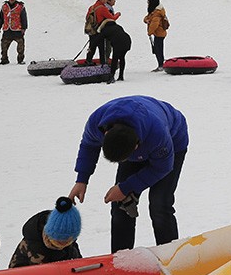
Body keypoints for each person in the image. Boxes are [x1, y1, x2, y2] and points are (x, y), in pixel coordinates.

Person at [69, 96, 189, 252]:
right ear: (106, 135)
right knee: (121, 206)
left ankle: (171, 257)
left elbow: (162, 167)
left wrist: (126, 187)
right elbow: (88, 145)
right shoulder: (97, 122)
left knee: (159, 204)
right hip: (134, 134)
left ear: (136, 147)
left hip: (173, 140)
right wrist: (81, 180)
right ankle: (121, 259)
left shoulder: (157, 134)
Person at [8, 197, 81, 268]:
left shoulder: (69, 237)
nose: (62, 245)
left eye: (68, 242)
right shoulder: (36, 250)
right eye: (57, 242)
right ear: (49, 234)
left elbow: (77, 259)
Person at [97, 0, 131, 83]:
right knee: (122, 57)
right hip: (127, 41)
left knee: (115, 59)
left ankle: (111, 77)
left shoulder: (105, 29)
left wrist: (91, 47)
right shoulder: (118, 26)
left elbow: (98, 39)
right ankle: (121, 76)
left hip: (118, 43)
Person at [0, 0, 27, 65]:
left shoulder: (20, 6)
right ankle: (4, 59)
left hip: (17, 29)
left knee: (20, 45)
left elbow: (24, 17)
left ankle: (20, 59)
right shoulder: (4, 7)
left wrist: (24, 28)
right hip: (7, 29)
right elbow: (1, 17)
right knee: (4, 46)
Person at [85, 0, 112, 66]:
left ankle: (88, 60)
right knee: (101, 48)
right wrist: (118, 14)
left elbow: (87, 18)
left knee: (92, 46)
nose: (106, 0)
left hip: (91, 31)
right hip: (99, 31)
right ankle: (103, 63)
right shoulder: (102, 8)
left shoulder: (92, 7)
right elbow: (111, 18)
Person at [142, 0, 168, 72]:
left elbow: (154, 24)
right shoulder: (156, 11)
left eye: (148, 2)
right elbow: (146, 18)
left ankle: (161, 65)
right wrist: (147, 20)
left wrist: (149, 32)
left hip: (159, 34)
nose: (147, 4)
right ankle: (161, 64)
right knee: (159, 49)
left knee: (158, 50)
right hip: (160, 33)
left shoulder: (156, 13)